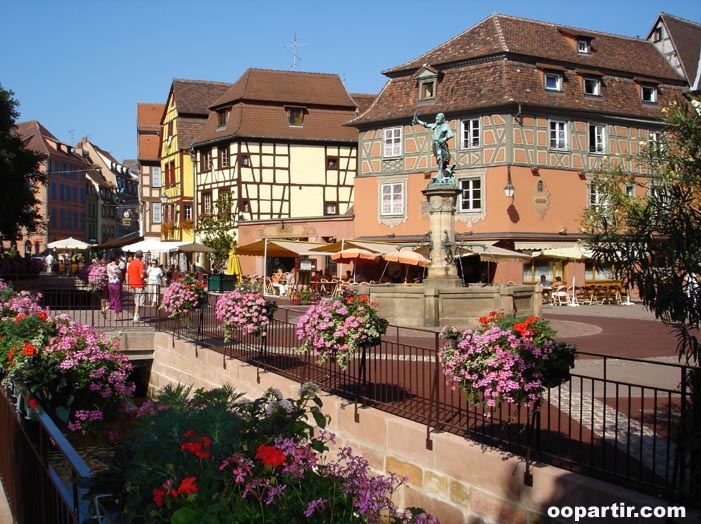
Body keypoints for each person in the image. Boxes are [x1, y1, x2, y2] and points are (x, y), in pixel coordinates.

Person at [412, 112, 454, 181]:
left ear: (442, 118)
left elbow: (451, 134)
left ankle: (439, 174)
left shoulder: (446, 125)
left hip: (441, 144)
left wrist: (444, 139)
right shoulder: (435, 125)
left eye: (438, 117)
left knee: (440, 157)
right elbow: (426, 125)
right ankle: (446, 173)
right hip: (435, 144)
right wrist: (418, 120)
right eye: (436, 117)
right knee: (438, 159)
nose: (436, 118)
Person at [126, 250, 146, 321]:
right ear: (141, 257)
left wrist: (127, 284)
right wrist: (146, 274)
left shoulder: (131, 263)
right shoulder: (141, 264)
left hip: (132, 284)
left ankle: (137, 315)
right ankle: (136, 316)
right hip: (139, 284)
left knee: (136, 300)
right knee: (139, 301)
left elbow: (127, 274)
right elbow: (141, 275)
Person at [106, 253, 123, 321]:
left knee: (112, 298)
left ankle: (106, 308)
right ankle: (116, 316)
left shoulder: (108, 265)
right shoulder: (116, 266)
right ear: (116, 259)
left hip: (110, 283)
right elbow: (120, 274)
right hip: (116, 283)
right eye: (118, 258)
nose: (119, 260)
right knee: (117, 299)